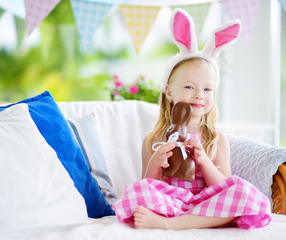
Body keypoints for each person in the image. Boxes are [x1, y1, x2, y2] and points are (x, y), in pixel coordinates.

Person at [112, 8, 271, 230]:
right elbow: (149, 184)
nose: (199, 95)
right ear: (169, 91)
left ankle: (170, 225)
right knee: (138, 192)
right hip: (171, 201)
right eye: (189, 87)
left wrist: (204, 160)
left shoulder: (216, 138)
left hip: (207, 205)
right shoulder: (154, 138)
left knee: (245, 193)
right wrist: (155, 164)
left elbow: (224, 187)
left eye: (207, 89)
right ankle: (172, 219)